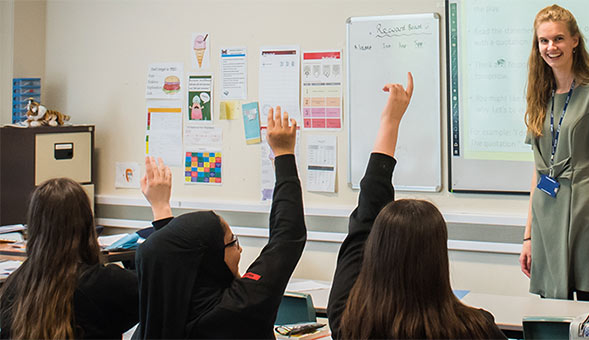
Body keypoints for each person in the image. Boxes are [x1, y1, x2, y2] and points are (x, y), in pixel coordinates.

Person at [327, 73, 506, 339]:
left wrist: (390, 121)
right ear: (437, 258)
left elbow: (364, 220)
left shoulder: (350, 321)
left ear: (376, 249)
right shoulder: (475, 329)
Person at [134, 106, 306, 339]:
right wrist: (284, 154)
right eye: (232, 242)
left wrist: (161, 209)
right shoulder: (238, 308)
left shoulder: (158, 317)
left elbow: (175, 259)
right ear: (211, 259)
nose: (240, 248)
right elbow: (286, 239)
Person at [518, 4, 589, 302]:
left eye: (559, 39)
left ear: (575, 40)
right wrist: (528, 237)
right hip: (546, 216)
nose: (551, 47)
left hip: (586, 213)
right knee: (552, 317)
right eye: (544, 41)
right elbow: (538, 172)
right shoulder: (539, 97)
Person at [0, 178, 138, 339]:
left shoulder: (14, 286)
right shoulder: (104, 282)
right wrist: (160, 209)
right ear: (87, 225)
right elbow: (163, 293)